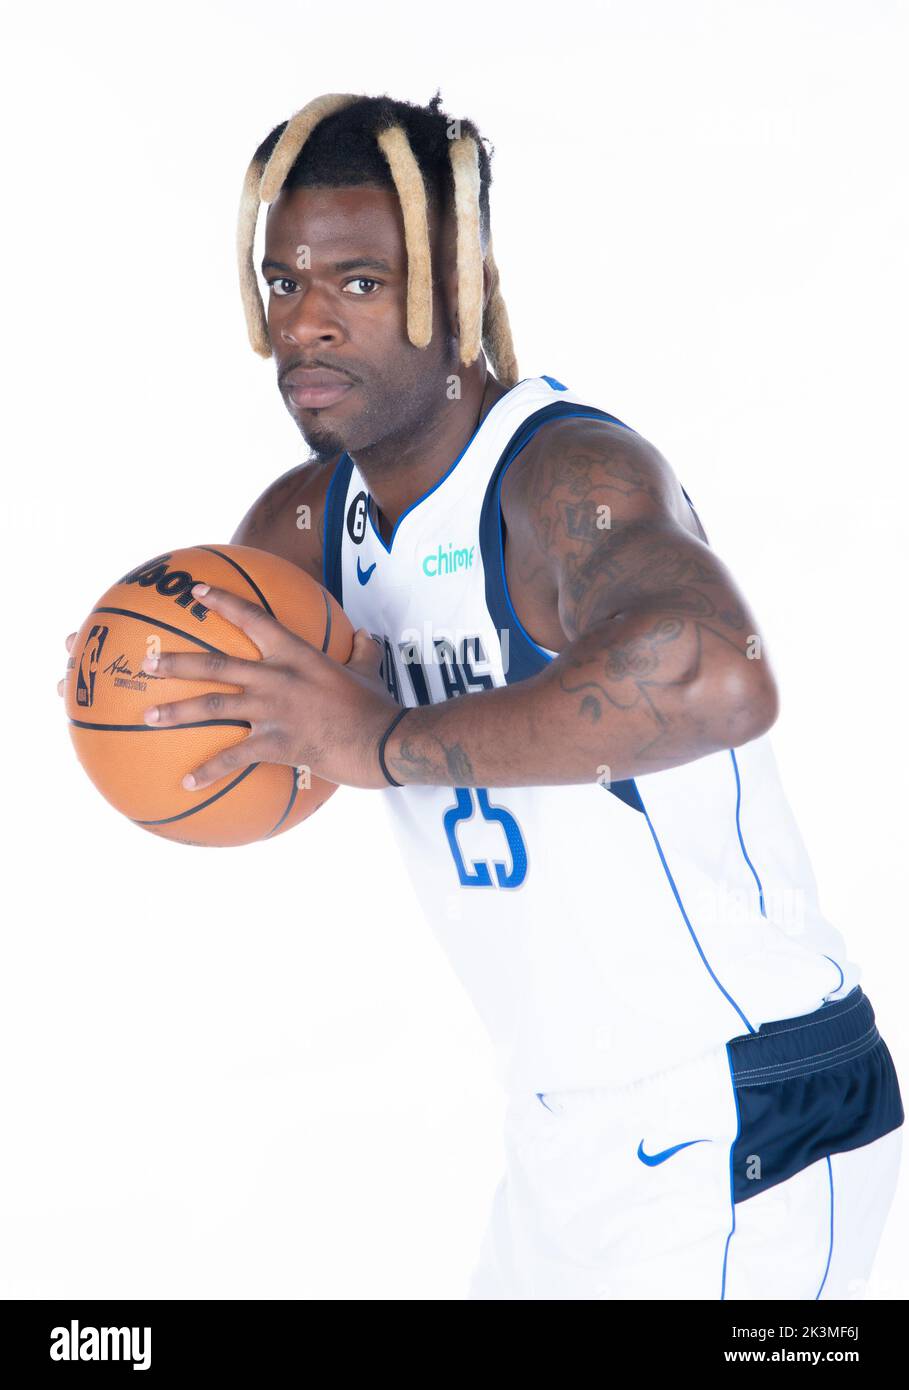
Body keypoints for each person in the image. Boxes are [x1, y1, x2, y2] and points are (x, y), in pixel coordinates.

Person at [58, 91, 903, 1299]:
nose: (309, 324)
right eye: (285, 282)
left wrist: (389, 741)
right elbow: (218, 700)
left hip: (744, 1110)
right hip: (561, 1131)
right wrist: (124, 683)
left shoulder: (562, 473)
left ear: (453, 288)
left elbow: (719, 673)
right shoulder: (309, 524)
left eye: (358, 283)